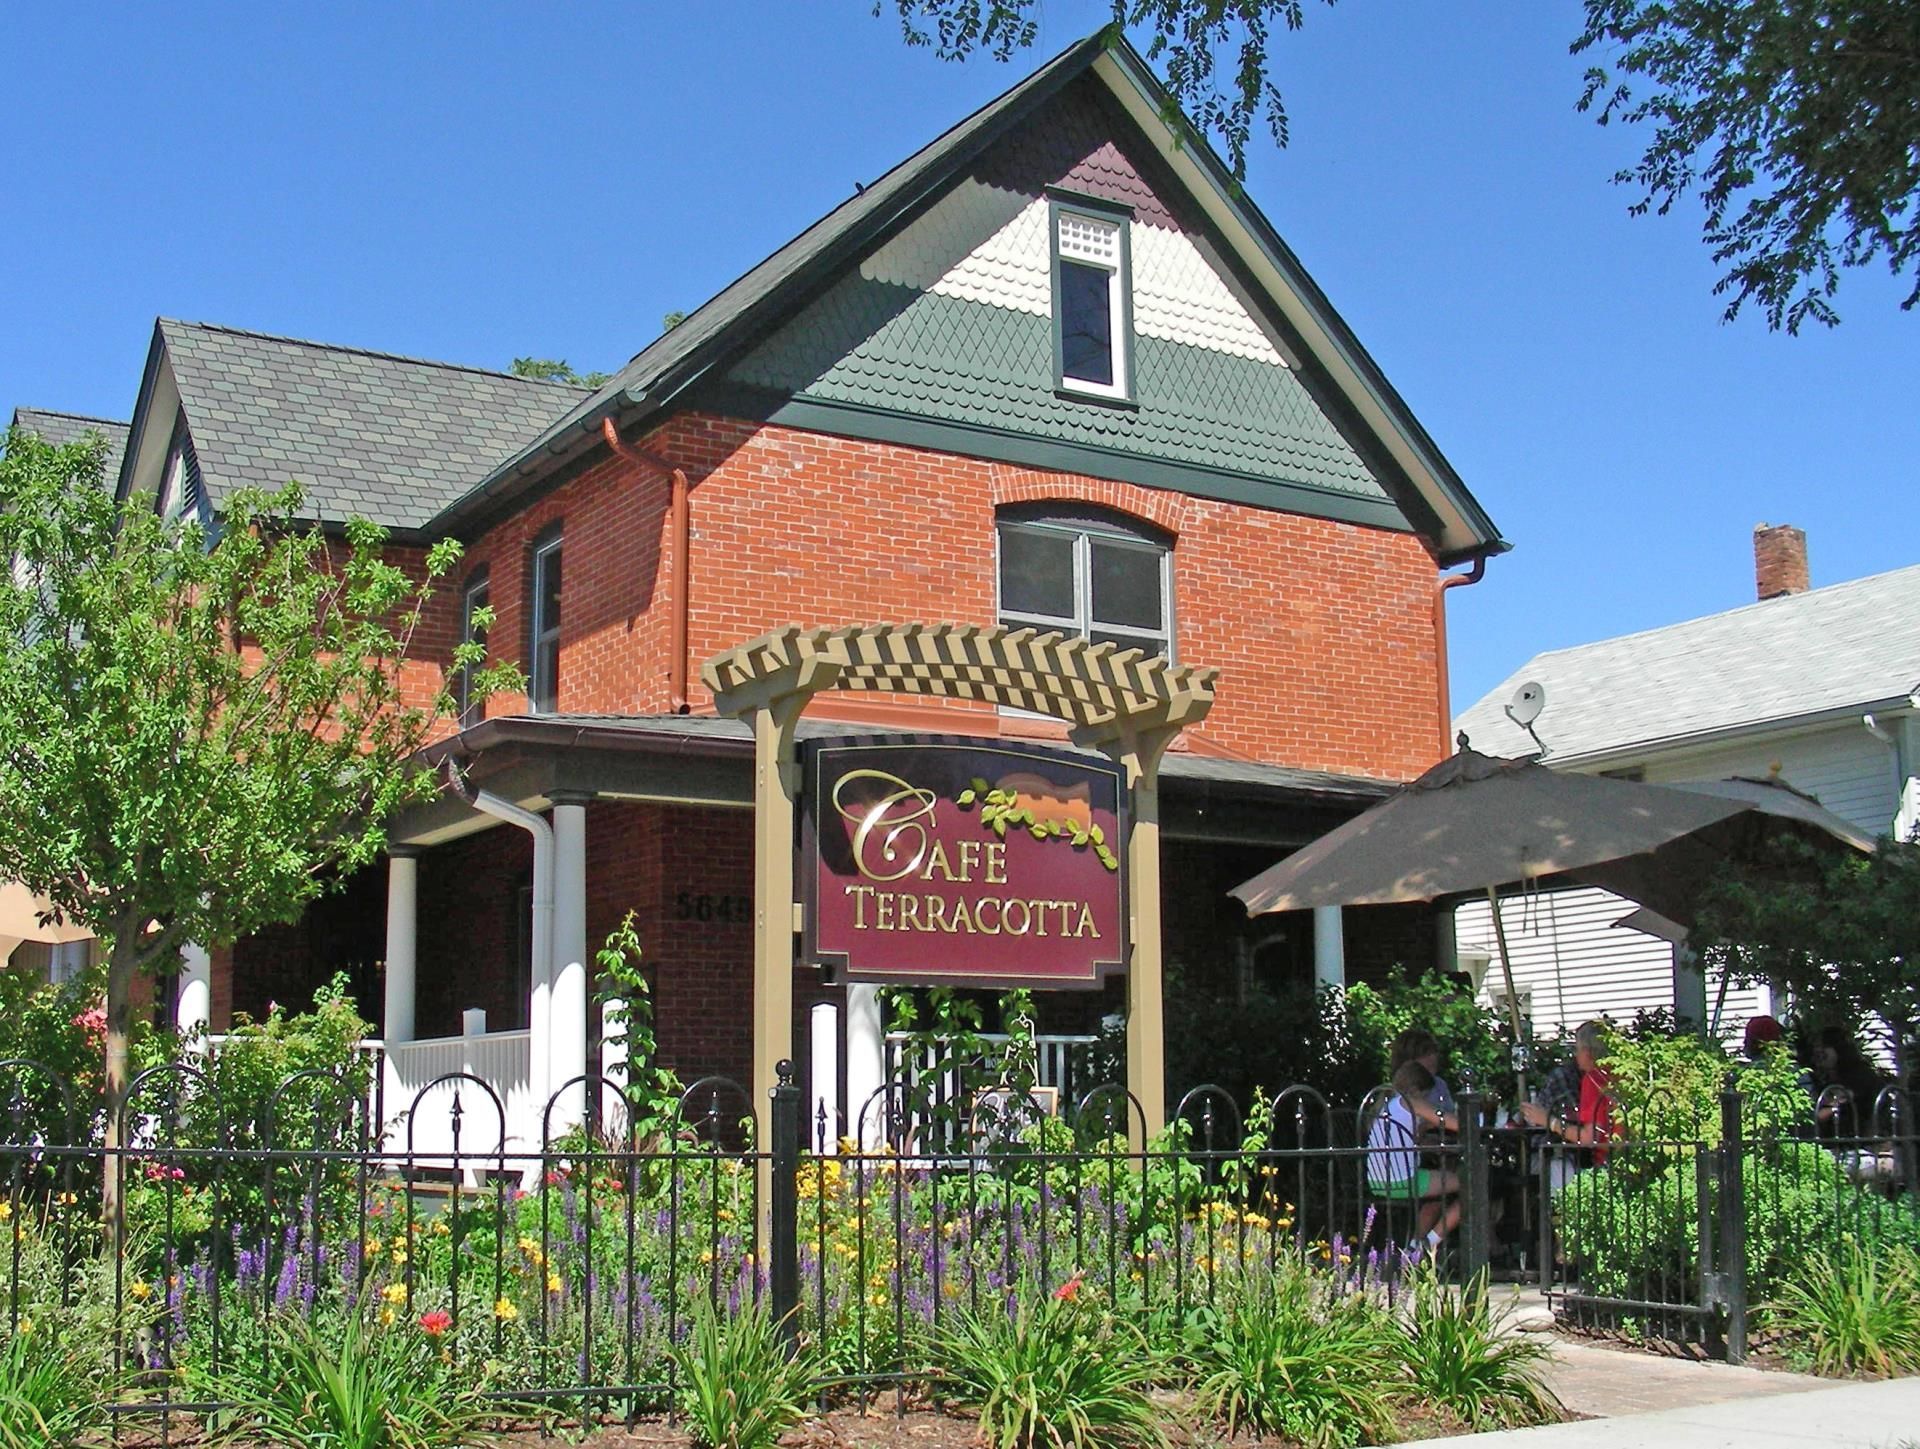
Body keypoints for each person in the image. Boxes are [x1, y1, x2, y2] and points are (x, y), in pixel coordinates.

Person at [1366, 1049, 1461, 1255]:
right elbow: (1452, 1122)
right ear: (1417, 1090)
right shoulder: (1411, 1102)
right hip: (1402, 1180)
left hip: (1377, 1180)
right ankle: (1428, 1244)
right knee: (1471, 1182)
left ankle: (1413, 1247)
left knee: (1438, 1193)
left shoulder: (1386, 1105)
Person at [1519, 1019, 1616, 1194]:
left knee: (1557, 1170)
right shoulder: (1618, 1075)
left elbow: (1588, 1138)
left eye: (1577, 1049)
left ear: (1587, 1052)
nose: (1575, 1055)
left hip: (1601, 1165)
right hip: (1622, 1159)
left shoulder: (1592, 1079)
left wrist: (1549, 1121)